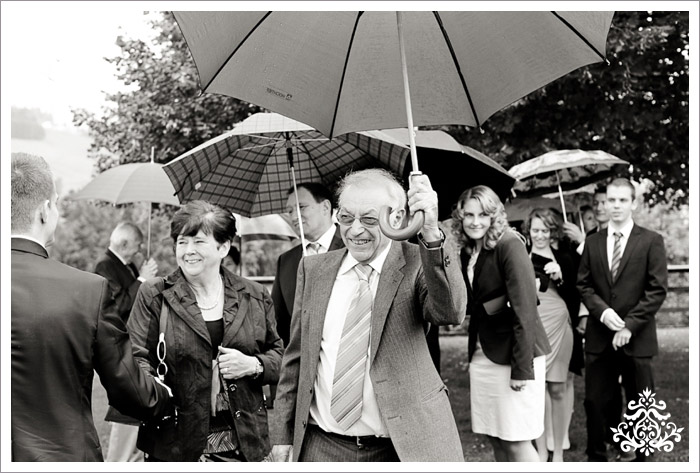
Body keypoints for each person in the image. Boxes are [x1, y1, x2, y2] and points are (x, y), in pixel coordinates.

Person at [272, 169, 467, 462]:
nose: (355, 230)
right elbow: (297, 356)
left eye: (369, 220)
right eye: (347, 218)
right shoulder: (312, 269)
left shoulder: (417, 262)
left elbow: (449, 311)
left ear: (398, 218)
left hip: (402, 447)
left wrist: (431, 232)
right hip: (322, 446)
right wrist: (282, 436)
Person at [11, 152, 172, 461]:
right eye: (56, 203)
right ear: (45, 211)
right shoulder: (87, 290)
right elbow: (131, 391)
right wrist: (164, 394)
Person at [127, 200, 284, 461]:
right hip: (176, 443)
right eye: (182, 242)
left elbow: (281, 357)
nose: (188, 251)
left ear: (223, 247)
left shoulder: (254, 296)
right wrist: (157, 391)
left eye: (198, 242)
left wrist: (253, 365)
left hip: (245, 445)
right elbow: (134, 356)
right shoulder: (156, 294)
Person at [451, 185, 550, 462]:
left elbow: (526, 310)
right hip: (484, 356)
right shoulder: (468, 251)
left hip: (516, 357)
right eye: (468, 214)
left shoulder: (509, 244)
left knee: (516, 440)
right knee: (495, 436)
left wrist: (522, 369)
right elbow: (478, 304)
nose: (475, 221)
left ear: (494, 216)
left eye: (483, 214)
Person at [577, 178, 668, 462]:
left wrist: (629, 326)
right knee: (594, 401)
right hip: (599, 336)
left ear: (633, 204)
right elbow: (584, 285)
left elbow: (657, 289)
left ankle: (643, 458)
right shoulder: (592, 243)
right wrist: (603, 313)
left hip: (637, 337)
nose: (615, 206)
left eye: (621, 200)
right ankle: (597, 456)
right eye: (610, 201)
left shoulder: (651, 241)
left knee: (641, 401)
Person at [95, 222, 159, 462]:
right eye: (136, 245)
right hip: (120, 349)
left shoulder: (129, 265)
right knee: (128, 407)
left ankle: (134, 457)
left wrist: (144, 277)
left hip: (139, 347)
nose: (139, 250)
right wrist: (142, 278)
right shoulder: (105, 265)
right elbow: (117, 306)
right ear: (123, 244)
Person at [523, 208, 580, 462]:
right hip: (535, 326)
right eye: (535, 230)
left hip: (560, 325)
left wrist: (561, 278)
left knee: (558, 389)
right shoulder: (522, 256)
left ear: (552, 231)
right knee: (536, 393)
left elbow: (577, 295)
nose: (540, 235)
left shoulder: (564, 257)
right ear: (529, 231)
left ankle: (558, 454)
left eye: (545, 230)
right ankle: (541, 451)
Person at [272, 182, 345, 347]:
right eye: (290, 211)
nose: (293, 216)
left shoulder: (353, 245)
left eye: (301, 207)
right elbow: (279, 321)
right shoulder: (287, 261)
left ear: (325, 207)